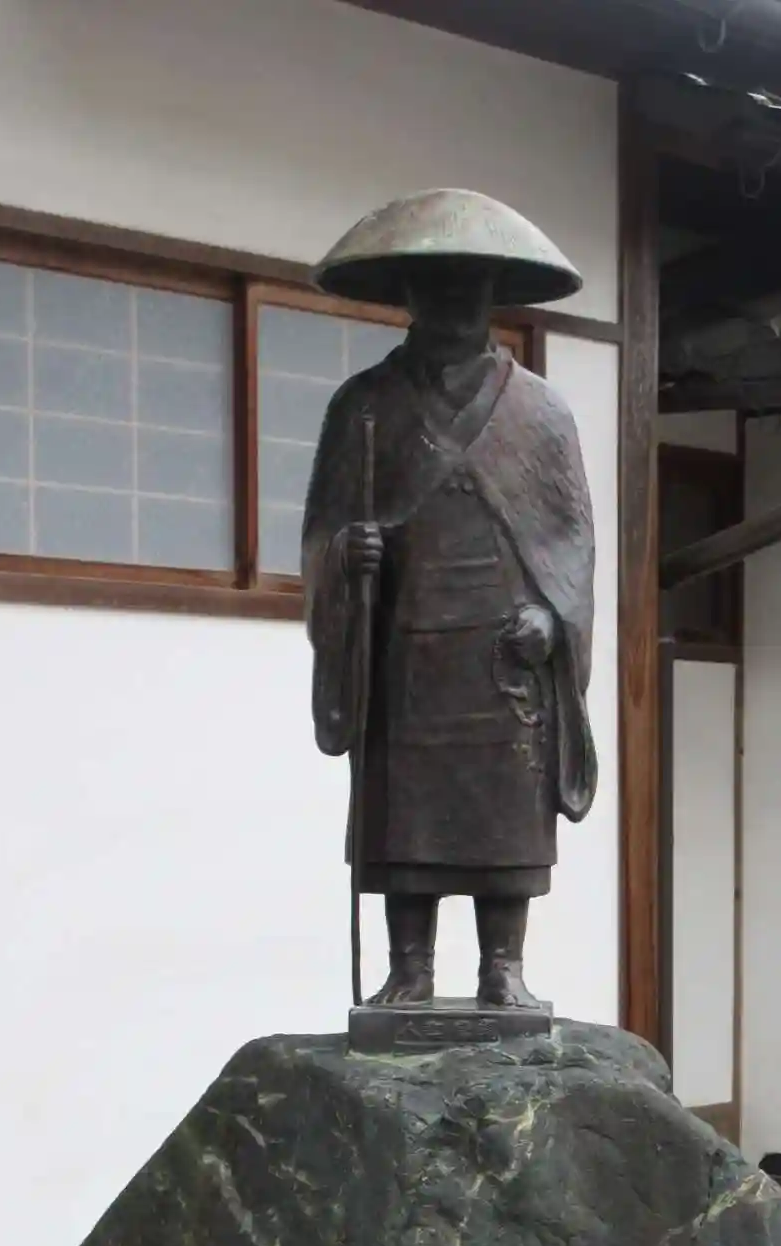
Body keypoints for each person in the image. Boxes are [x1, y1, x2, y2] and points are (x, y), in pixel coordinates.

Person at [302, 189, 597, 1011]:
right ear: (408, 294)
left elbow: (572, 539)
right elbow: (324, 524)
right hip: (406, 644)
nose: (454, 302)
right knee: (408, 811)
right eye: (436, 285)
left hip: (504, 651)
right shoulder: (363, 406)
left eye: (471, 286)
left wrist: (554, 617)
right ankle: (410, 967)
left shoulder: (541, 411)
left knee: (504, 807)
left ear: (494, 293)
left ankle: (503, 966)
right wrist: (345, 554)